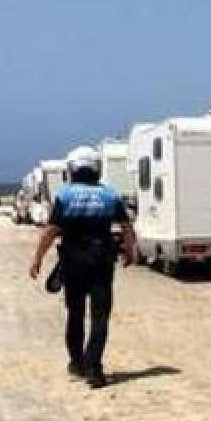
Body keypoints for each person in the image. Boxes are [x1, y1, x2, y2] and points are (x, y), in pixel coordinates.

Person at [29, 145, 135, 388]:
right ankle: (94, 367)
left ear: (73, 169)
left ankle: (77, 362)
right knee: (100, 315)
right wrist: (130, 251)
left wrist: (37, 258)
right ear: (97, 169)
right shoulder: (110, 195)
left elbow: (52, 231)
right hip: (102, 260)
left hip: (73, 260)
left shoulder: (65, 196)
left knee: (75, 314)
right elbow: (126, 227)